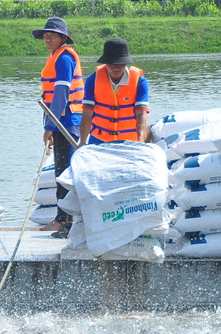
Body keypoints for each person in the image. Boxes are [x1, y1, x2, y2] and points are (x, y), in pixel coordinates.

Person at [32, 17, 83, 232]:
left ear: (63, 38)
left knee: (64, 171)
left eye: (52, 35)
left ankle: (64, 219)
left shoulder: (63, 59)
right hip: (60, 119)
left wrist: (50, 127)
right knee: (62, 169)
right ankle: (64, 217)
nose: (47, 39)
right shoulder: (55, 57)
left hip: (66, 120)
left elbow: (61, 94)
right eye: (45, 35)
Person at [79, 38, 150, 146]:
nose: (115, 67)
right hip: (99, 139)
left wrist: (140, 140)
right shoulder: (92, 80)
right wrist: (82, 142)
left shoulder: (140, 82)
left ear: (126, 63)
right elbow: (87, 114)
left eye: (120, 64)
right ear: (105, 63)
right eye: (111, 63)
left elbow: (141, 113)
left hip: (131, 141)